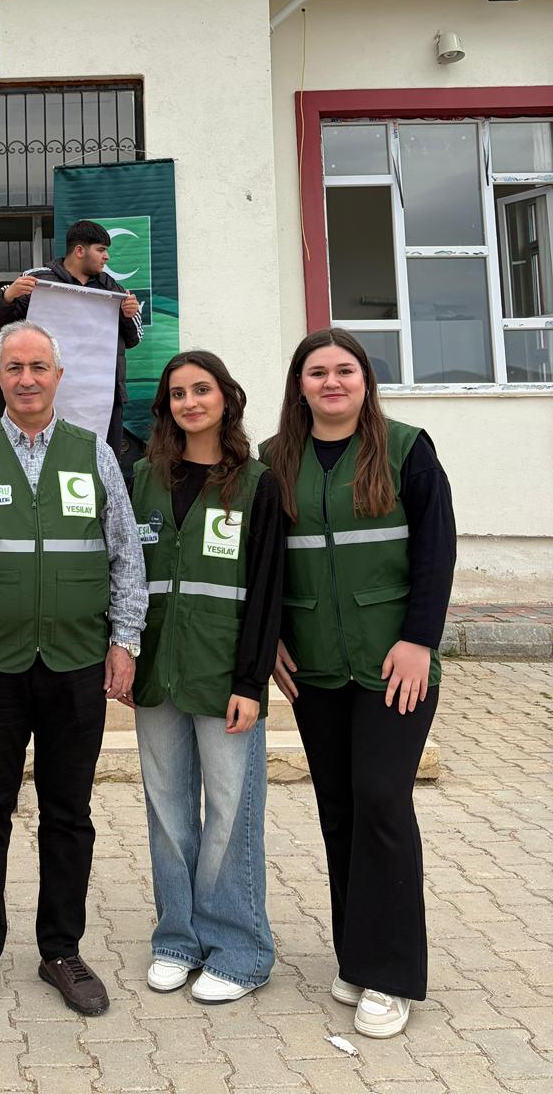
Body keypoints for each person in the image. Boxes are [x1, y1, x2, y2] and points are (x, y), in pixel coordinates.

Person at [0, 320, 146, 1021]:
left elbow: (125, 554)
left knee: (68, 813)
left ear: (58, 375)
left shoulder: (93, 453)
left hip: (77, 663)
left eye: (39, 366)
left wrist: (125, 639)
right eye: (14, 367)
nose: (27, 378)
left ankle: (62, 950)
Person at [262, 328, 455, 1041]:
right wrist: (270, 641)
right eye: (318, 372)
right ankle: (356, 952)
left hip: (392, 665)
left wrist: (419, 641)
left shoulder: (407, 449)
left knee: (381, 801)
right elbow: (266, 568)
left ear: (365, 380)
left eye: (345, 370)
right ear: (300, 385)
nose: (332, 382)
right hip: (315, 667)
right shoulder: (273, 461)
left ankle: (393, 975)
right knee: (338, 809)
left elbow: (436, 551)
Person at [127, 352, 284, 1003]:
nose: (191, 401)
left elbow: (268, 588)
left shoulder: (256, 482)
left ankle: (240, 949)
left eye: (203, 389)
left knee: (230, 814)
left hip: (225, 677)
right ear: (164, 407)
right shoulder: (142, 478)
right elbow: (124, 574)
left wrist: (252, 682)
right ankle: (178, 938)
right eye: (178, 393)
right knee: (167, 815)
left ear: (226, 397)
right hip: (157, 673)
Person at [0, 220, 143, 459]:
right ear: (80, 250)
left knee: (101, 460)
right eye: (101, 250)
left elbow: (134, 339)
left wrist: (130, 314)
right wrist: (7, 296)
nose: (107, 257)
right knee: (44, 456)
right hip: (48, 388)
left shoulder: (113, 288)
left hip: (102, 396)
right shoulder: (37, 279)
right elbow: (0, 324)